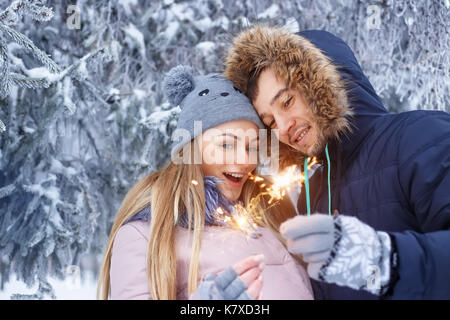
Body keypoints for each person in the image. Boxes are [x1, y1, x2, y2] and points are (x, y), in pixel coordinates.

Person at [223, 25, 450, 299]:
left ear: (322, 86)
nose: (282, 127)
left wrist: (386, 260)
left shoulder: (421, 138)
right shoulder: (312, 193)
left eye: (287, 101)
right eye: (269, 122)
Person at [96, 65, 314, 300]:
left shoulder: (272, 213)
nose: (245, 160)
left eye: (252, 147)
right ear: (191, 149)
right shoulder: (147, 233)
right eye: (226, 144)